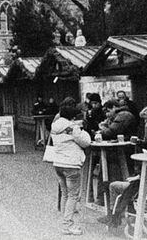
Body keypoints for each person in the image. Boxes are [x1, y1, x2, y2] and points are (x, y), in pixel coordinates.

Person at [98, 105, 147, 231]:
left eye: (146, 119)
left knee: (132, 186)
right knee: (131, 186)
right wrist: (140, 143)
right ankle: (117, 216)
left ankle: (116, 216)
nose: (145, 122)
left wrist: (141, 172)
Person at [51, 100, 92, 236]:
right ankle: (67, 225)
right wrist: (82, 130)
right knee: (73, 195)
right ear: (72, 117)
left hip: (58, 163)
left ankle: (65, 222)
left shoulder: (54, 126)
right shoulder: (72, 127)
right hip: (71, 164)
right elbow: (85, 142)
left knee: (65, 194)